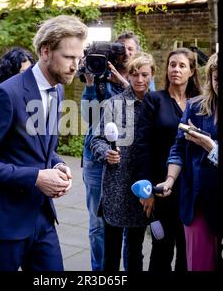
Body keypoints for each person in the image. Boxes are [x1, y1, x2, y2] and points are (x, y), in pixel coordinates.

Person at [0, 15, 88, 271]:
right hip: (2, 222)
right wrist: (35, 177)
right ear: (45, 51)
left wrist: (59, 163)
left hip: (41, 219)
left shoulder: (58, 90)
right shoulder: (6, 94)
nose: (76, 66)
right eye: (69, 57)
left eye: (79, 58)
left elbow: (44, 148)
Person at [134, 47, 202, 271]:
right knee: (162, 248)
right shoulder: (155, 100)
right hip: (162, 186)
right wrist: (148, 190)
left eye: (182, 65)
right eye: (172, 65)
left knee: (187, 250)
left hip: (191, 188)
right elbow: (142, 145)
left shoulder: (200, 104)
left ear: (192, 71)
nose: (176, 70)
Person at [90, 52, 156, 271]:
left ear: (152, 75)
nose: (139, 80)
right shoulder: (114, 104)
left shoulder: (158, 105)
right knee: (111, 252)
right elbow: (96, 140)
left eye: (144, 75)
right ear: (128, 74)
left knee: (135, 250)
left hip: (141, 186)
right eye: (134, 74)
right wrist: (105, 153)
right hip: (116, 186)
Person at [81, 31, 141, 271]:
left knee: (129, 224)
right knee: (97, 224)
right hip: (96, 158)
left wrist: (123, 84)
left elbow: (146, 110)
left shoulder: (142, 78)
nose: (125, 53)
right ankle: (100, 272)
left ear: (137, 52)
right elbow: (90, 117)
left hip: (129, 162)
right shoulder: (99, 75)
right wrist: (89, 85)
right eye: (121, 48)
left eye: (130, 49)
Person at [156, 53, 219, 271]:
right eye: (217, 78)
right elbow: (179, 147)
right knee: (198, 264)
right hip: (197, 201)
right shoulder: (195, 107)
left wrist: (211, 148)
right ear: (210, 79)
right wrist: (170, 179)